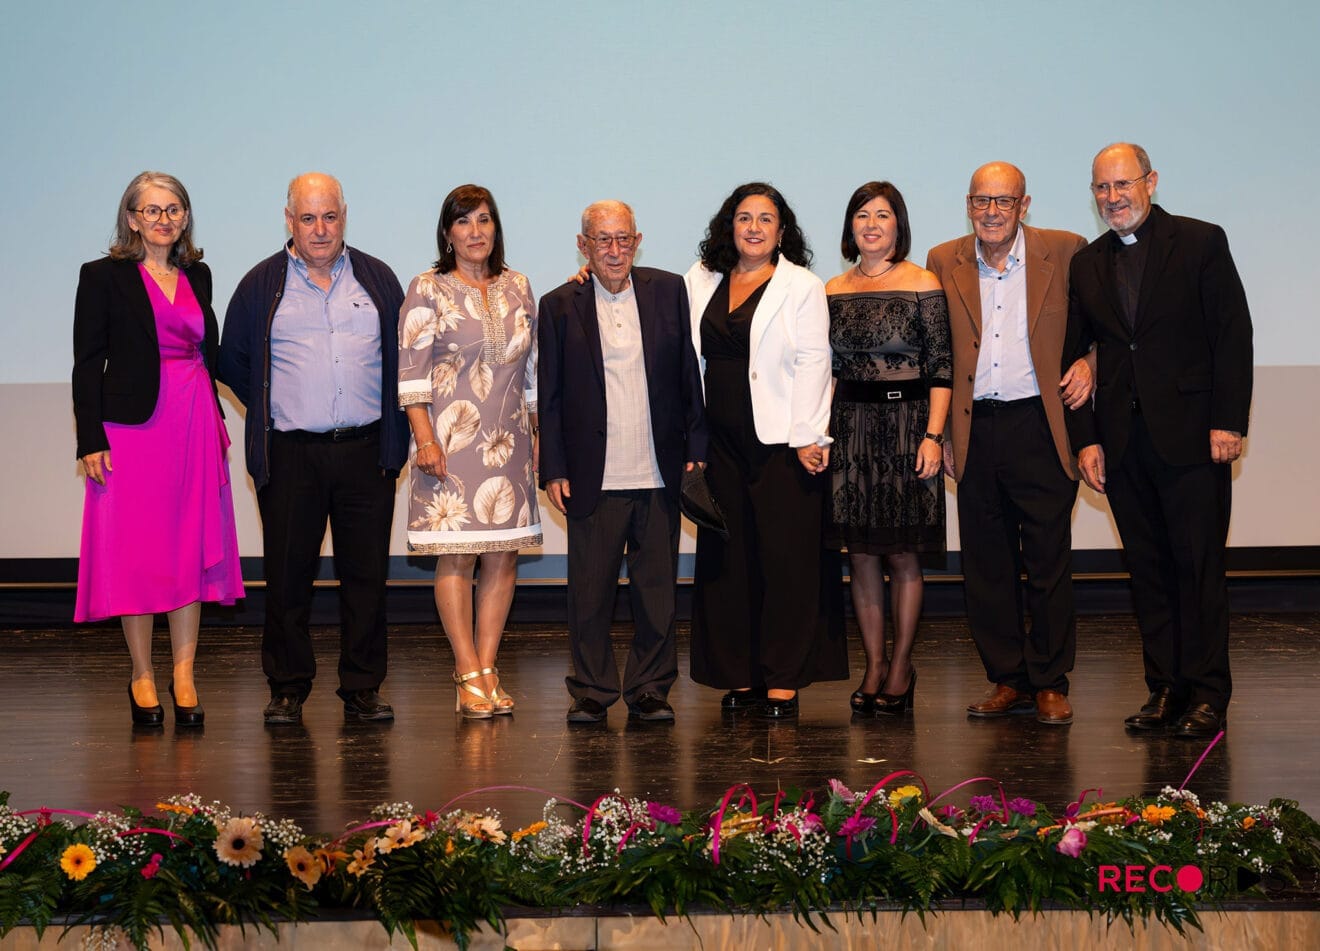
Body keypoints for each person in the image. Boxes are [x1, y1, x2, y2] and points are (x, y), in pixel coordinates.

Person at [1066, 143, 1252, 739]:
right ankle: (1166, 689)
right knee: (1147, 571)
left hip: (1194, 438)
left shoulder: (1200, 241)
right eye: (1101, 188)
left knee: (1197, 569)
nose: (1112, 197)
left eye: (1123, 184)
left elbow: (1233, 334)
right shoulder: (1087, 262)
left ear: (1150, 181)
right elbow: (1076, 358)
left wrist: (1230, 420)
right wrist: (1086, 440)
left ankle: (1208, 693)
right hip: (1123, 444)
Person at [218, 172, 407, 725]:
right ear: (289, 219)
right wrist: (278, 403)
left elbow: (405, 355)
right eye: (308, 218)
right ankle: (287, 687)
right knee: (287, 575)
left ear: (344, 215)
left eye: (329, 216)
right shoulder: (260, 284)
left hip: (366, 451)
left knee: (367, 576)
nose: (320, 229)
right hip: (292, 453)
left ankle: (363, 686)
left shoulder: (377, 278)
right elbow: (232, 362)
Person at [72, 170, 243, 728]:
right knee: (138, 551)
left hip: (192, 421)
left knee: (188, 546)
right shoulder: (102, 277)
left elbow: (210, 352)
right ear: (131, 219)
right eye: (152, 210)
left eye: (174, 209)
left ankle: (185, 672)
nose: (164, 219)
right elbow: (85, 363)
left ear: (185, 218)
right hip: (132, 430)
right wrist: (90, 437)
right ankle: (142, 673)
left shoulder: (200, 273)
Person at [925, 162, 1092, 726]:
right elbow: (940, 352)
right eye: (980, 201)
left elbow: (1103, 325)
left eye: (1004, 201)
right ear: (967, 204)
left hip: (1040, 426)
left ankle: (1049, 680)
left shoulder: (1066, 251)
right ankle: (1008, 678)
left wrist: (1091, 363)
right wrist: (944, 431)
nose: (991, 212)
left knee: (1047, 561)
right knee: (986, 565)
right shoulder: (942, 259)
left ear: (1024, 205)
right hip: (975, 429)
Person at [538, 200, 707, 724]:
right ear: (582, 245)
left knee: (656, 595)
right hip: (594, 474)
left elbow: (687, 379)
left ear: (637, 241)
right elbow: (552, 396)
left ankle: (651, 688)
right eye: (602, 240)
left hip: (659, 470)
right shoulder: (559, 304)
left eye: (623, 239)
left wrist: (696, 451)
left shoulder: (668, 290)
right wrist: (554, 467)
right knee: (589, 595)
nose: (614, 250)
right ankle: (591, 690)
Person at [684, 182, 846, 720]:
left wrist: (809, 435)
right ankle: (741, 675)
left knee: (787, 561)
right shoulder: (701, 279)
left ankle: (782, 677)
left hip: (782, 442)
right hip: (718, 442)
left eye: (766, 219)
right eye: (744, 217)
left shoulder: (801, 285)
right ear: (728, 225)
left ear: (782, 230)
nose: (754, 227)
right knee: (729, 562)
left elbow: (814, 361)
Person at [398, 185, 541, 719]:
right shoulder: (427, 288)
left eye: (484, 220)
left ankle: (487, 666)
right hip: (449, 444)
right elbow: (411, 376)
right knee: (457, 558)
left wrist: (538, 436)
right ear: (447, 232)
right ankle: (466, 672)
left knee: (502, 559)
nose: (476, 231)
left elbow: (530, 373)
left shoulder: (520, 285)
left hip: (510, 443)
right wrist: (426, 439)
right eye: (464, 222)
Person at [825, 181, 951, 717]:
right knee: (861, 555)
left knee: (902, 555)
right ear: (850, 227)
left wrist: (934, 436)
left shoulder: (924, 282)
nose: (871, 224)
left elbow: (942, 366)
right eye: (861, 215)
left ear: (898, 224)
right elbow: (826, 370)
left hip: (909, 427)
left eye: (882, 215)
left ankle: (901, 666)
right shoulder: (830, 288)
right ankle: (873, 665)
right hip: (849, 428)